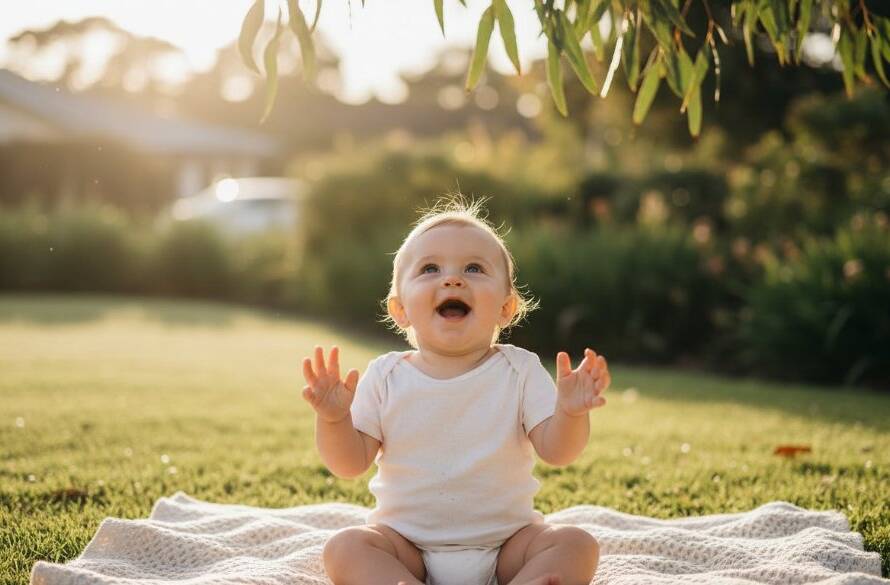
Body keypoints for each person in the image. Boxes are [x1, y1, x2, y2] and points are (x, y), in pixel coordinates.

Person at [300, 195, 610, 585]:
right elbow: (349, 464)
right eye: (430, 268)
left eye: (474, 268)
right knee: (346, 547)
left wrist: (571, 412)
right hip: (405, 546)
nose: (452, 278)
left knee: (576, 543)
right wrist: (333, 420)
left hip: (507, 547)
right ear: (401, 310)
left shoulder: (520, 370)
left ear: (505, 308)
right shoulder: (386, 375)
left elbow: (558, 451)